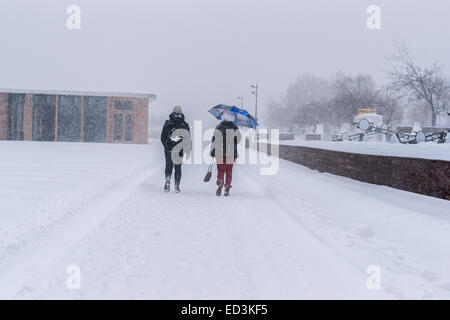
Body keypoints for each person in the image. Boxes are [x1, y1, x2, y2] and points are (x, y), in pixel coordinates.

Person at [160, 106, 191, 193]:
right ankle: (177, 186)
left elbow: (163, 136)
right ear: (181, 112)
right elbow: (187, 138)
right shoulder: (184, 124)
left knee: (168, 165)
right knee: (178, 167)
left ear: (173, 112)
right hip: (179, 149)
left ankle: (168, 181)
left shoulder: (168, 123)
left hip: (169, 148)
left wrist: (166, 145)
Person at [210, 112, 241, 196]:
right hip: (231, 153)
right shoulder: (235, 128)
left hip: (220, 152)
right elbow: (238, 140)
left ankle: (220, 182)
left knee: (221, 170)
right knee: (229, 171)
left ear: (224, 117)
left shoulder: (219, 126)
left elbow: (213, 139)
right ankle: (227, 188)